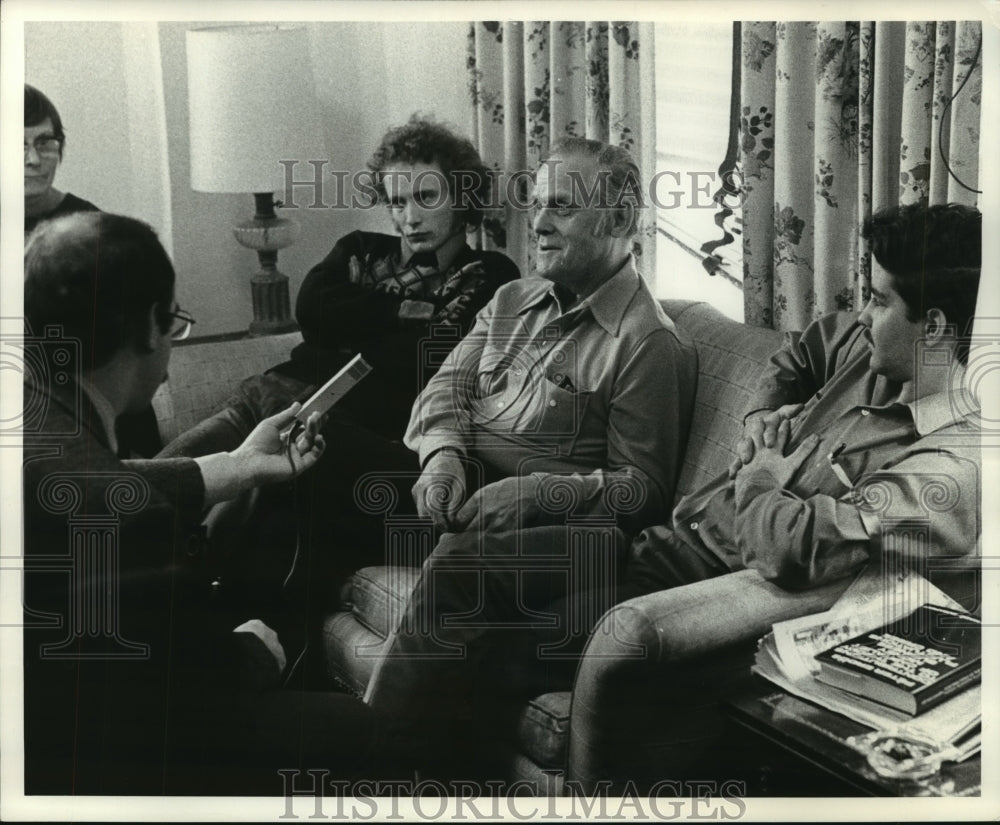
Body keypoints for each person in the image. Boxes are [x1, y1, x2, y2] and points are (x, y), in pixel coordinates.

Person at [362, 137, 699, 771]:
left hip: (574, 533)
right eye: (538, 203)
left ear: (620, 222)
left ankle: (372, 767)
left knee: (459, 563)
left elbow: (643, 491)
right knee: (309, 475)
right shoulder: (511, 301)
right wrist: (442, 458)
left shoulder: (649, 343)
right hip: (464, 486)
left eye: (562, 208)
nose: (537, 223)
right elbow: (444, 390)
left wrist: (533, 492)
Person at [21, 212, 380, 795]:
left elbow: (90, 484)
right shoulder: (129, 522)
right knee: (356, 730)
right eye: (173, 324)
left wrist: (236, 465)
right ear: (145, 331)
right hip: (76, 760)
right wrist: (254, 650)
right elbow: (185, 697)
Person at [161, 115, 520, 585]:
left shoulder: (488, 273)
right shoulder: (361, 248)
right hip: (265, 397)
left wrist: (350, 325)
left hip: (330, 426)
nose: (409, 218)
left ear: (462, 197)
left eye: (426, 198)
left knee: (221, 530)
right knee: (148, 491)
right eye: (396, 201)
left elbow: (427, 360)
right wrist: (404, 311)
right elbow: (312, 308)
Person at [622, 202, 982, 599]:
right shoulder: (874, 352)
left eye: (879, 301)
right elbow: (797, 352)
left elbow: (791, 550)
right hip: (652, 543)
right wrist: (760, 415)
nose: (862, 317)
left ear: (932, 327)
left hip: (684, 587)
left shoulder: (945, 471)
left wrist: (759, 477)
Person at [25, 82, 160, 458]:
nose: (33, 159)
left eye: (44, 142)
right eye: (16, 144)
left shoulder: (91, 226)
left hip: (90, 389)